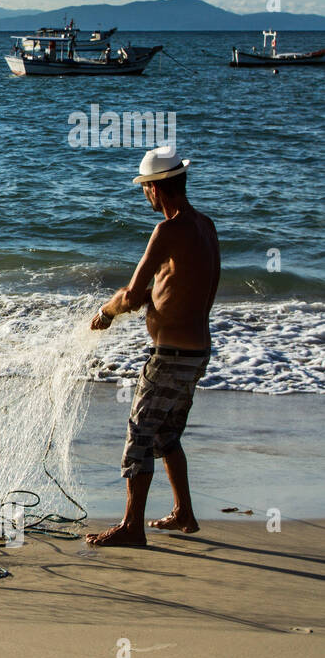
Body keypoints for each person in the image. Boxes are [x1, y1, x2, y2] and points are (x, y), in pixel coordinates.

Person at [85, 147, 220, 548]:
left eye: (146, 188)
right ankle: (184, 513)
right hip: (197, 353)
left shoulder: (167, 230)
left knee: (139, 435)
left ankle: (131, 527)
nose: (145, 195)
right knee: (166, 435)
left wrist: (107, 312)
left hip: (171, 357)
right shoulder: (205, 226)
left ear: (157, 191)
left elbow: (133, 294)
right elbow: (178, 290)